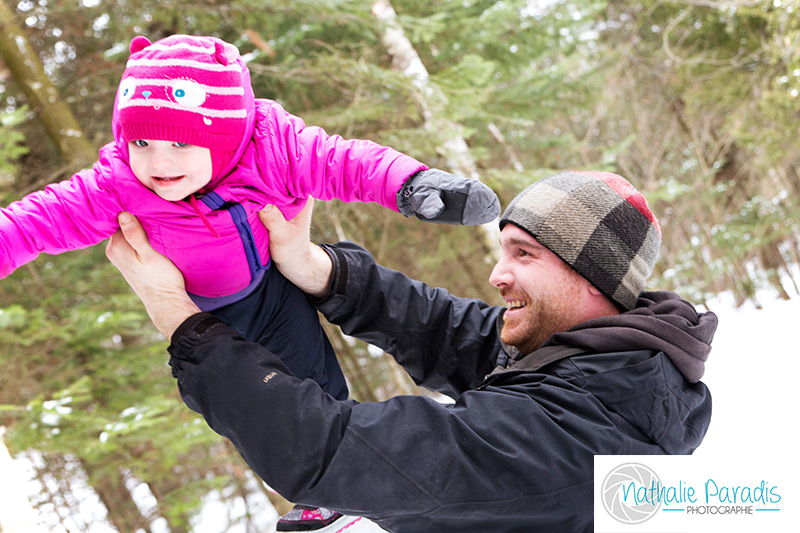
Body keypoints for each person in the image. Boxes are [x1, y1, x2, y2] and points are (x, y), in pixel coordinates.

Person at [0, 33, 499, 531]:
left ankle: (338, 489)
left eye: (179, 143)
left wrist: (412, 187)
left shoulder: (273, 148)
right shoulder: (118, 186)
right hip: (207, 315)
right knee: (254, 414)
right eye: (141, 142)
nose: (157, 163)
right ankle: (314, 495)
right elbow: (33, 222)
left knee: (311, 385)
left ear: (225, 134)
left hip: (273, 289)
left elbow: (346, 162)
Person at [105, 170, 715, 532]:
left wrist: (180, 318)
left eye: (524, 255)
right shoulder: (612, 365)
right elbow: (450, 330)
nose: (498, 274)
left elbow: (329, 451)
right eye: (502, 250)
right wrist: (320, 270)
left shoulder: (575, 438)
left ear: (593, 280)